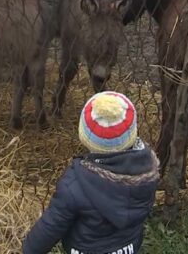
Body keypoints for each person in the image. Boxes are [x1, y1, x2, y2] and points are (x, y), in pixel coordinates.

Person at [22, 91, 160, 254]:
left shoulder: (74, 184)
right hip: (129, 246)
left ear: (85, 136)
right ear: (132, 133)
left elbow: (51, 226)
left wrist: (29, 249)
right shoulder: (147, 169)